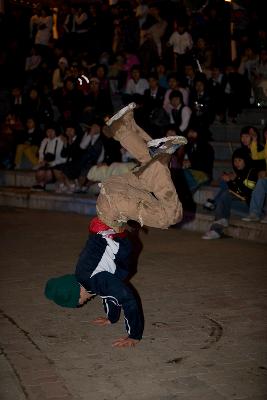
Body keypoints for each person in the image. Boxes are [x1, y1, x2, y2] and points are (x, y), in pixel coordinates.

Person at [44, 102, 187, 347]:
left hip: (115, 206)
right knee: (147, 170)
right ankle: (123, 126)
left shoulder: (92, 281)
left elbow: (125, 297)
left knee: (171, 215)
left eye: (78, 303)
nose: (83, 303)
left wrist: (134, 334)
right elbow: (109, 292)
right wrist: (111, 319)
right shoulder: (87, 277)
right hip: (111, 195)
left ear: (76, 296)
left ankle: (161, 160)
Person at [202, 148, 258, 240]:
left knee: (224, 197)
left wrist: (234, 180)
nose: (237, 163)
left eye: (240, 160)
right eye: (235, 160)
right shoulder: (238, 173)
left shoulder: (252, 172)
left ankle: (216, 228)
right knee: (224, 195)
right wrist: (229, 180)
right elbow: (236, 191)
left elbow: (247, 193)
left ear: (246, 160)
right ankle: (218, 226)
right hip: (238, 203)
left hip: (249, 207)